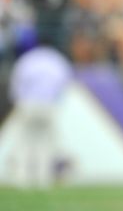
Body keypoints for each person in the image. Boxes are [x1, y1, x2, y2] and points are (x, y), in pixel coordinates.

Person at [8, 43, 73, 189]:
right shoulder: (57, 60)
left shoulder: (27, 59)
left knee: (24, 142)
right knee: (46, 144)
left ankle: (22, 180)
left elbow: (17, 84)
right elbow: (64, 84)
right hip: (49, 105)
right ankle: (43, 180)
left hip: (28, 104)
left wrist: (18, 100)